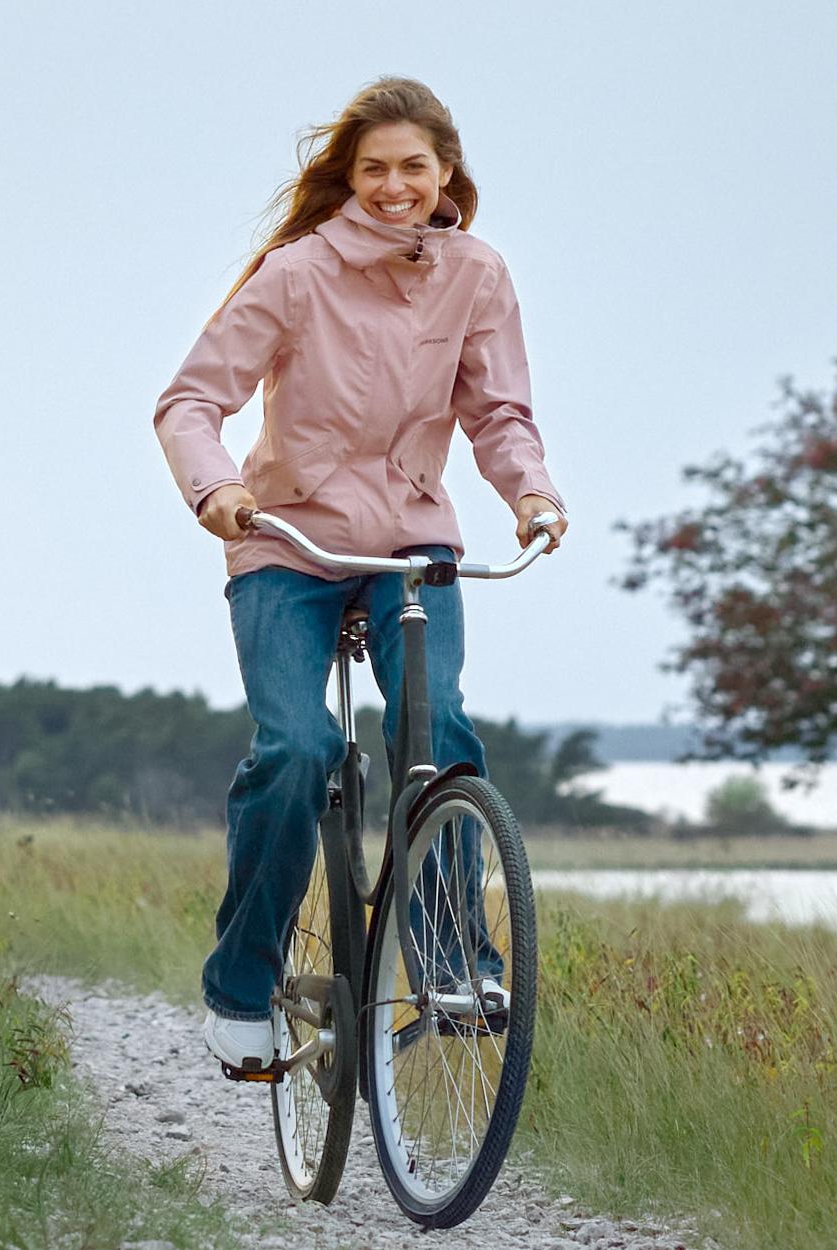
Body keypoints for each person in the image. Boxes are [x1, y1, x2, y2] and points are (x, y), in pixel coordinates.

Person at [153, 77, 567, 1071]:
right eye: (374, 168)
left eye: (412, 166)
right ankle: (240, 986)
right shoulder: (296, 273)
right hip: (285, 539)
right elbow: (190, 402)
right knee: (296, 749)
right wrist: (217, 488)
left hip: (412, 540)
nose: (393, 185)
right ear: (349, 175)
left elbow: (498, 412)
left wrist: (530, 492)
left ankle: (452, 959)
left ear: (444, 172)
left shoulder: (478, 273)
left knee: (436, 725)